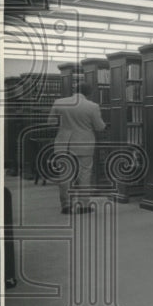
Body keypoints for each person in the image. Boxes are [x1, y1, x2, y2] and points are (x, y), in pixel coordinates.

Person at [47, 82, 106, 214]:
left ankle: (66, 206)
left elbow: (50, 122)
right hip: (84, 144)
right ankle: (84, 206)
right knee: (84, 175)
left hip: (64, 143)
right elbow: (99, 127)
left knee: (64, 175)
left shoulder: (59, 102)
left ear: (74, 90)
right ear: (89, 93)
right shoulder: (92, 106)